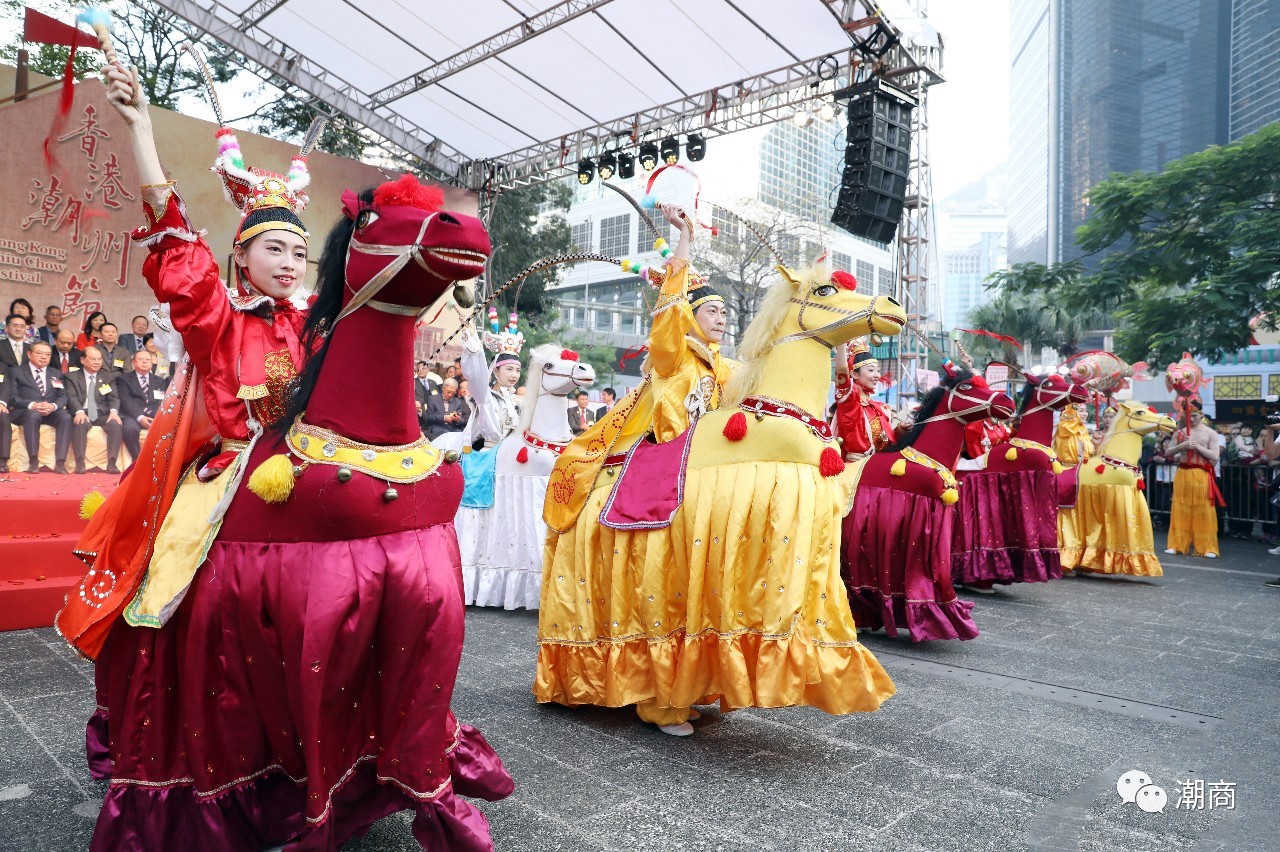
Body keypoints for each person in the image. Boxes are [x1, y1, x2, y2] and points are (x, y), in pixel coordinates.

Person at [1165, 400, 1224, 558]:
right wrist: (1181, 446)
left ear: (1201, 415)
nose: (1191, 419)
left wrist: (1197, 446)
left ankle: (1207, 547)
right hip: (1183, 473)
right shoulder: (1180, 433)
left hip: (1201, 474)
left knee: (1203, 510)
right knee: (1180, 508)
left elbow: (1214, 456)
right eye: (1188, 416)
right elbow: (1168, 452)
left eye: (1195, 415)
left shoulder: (1210, 433)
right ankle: (1177, 544)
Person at [9, 341, 72, 473]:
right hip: (25, 411)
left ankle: (60, 462)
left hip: (49, 410)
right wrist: (32, 405)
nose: (44, 357)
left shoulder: (56, 373)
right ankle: (33, 461)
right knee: (33, 415)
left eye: (47, 354)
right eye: (39, 353)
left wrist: (53, 406)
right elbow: (12, 397)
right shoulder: (16, 372)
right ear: (29, 354)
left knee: (65, 417)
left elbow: (63, 397)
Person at [832, 338, 895, 459]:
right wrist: (841, 344)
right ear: (854, 374)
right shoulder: (850, 403)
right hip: (857, 468)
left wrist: (901, 430)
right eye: (871, 370)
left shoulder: (881, 407)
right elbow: (842, 374)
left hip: (879, 463)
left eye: (878, 370)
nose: (877, 375)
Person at [65, 346, 122, 474]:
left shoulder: (108, 377)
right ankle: (80, 463)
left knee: (115, 424)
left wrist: (113, 412)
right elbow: (71, 396)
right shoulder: (71, 376)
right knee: (80, 423)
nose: (97, 362)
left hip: (101, 413)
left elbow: (114, 397)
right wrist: (78, 411)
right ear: (82, 360)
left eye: (99, 359)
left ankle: (112, 463)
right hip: (82, 411)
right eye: (92, 359)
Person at [117, 349, 167, 462]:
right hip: (134, 415)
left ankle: (160, 460)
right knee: (129, 428)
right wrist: (140, 417)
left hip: (155, 415)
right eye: (140, 359)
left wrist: (156, 416)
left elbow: (161, 401)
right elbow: (126, 400)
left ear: (152, 363)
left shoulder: (159, 381)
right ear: (133, 362)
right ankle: (139, 460)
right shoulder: (123, 379)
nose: (144, 362)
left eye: (148, 360)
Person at [1054, 401, 1092, 466]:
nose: (1085, 414)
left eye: (1086, 411)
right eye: (1081, 411)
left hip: (1082, 469)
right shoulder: (1065, 427)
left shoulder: (1082, 428)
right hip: (1067, 469)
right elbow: (1070, 412)